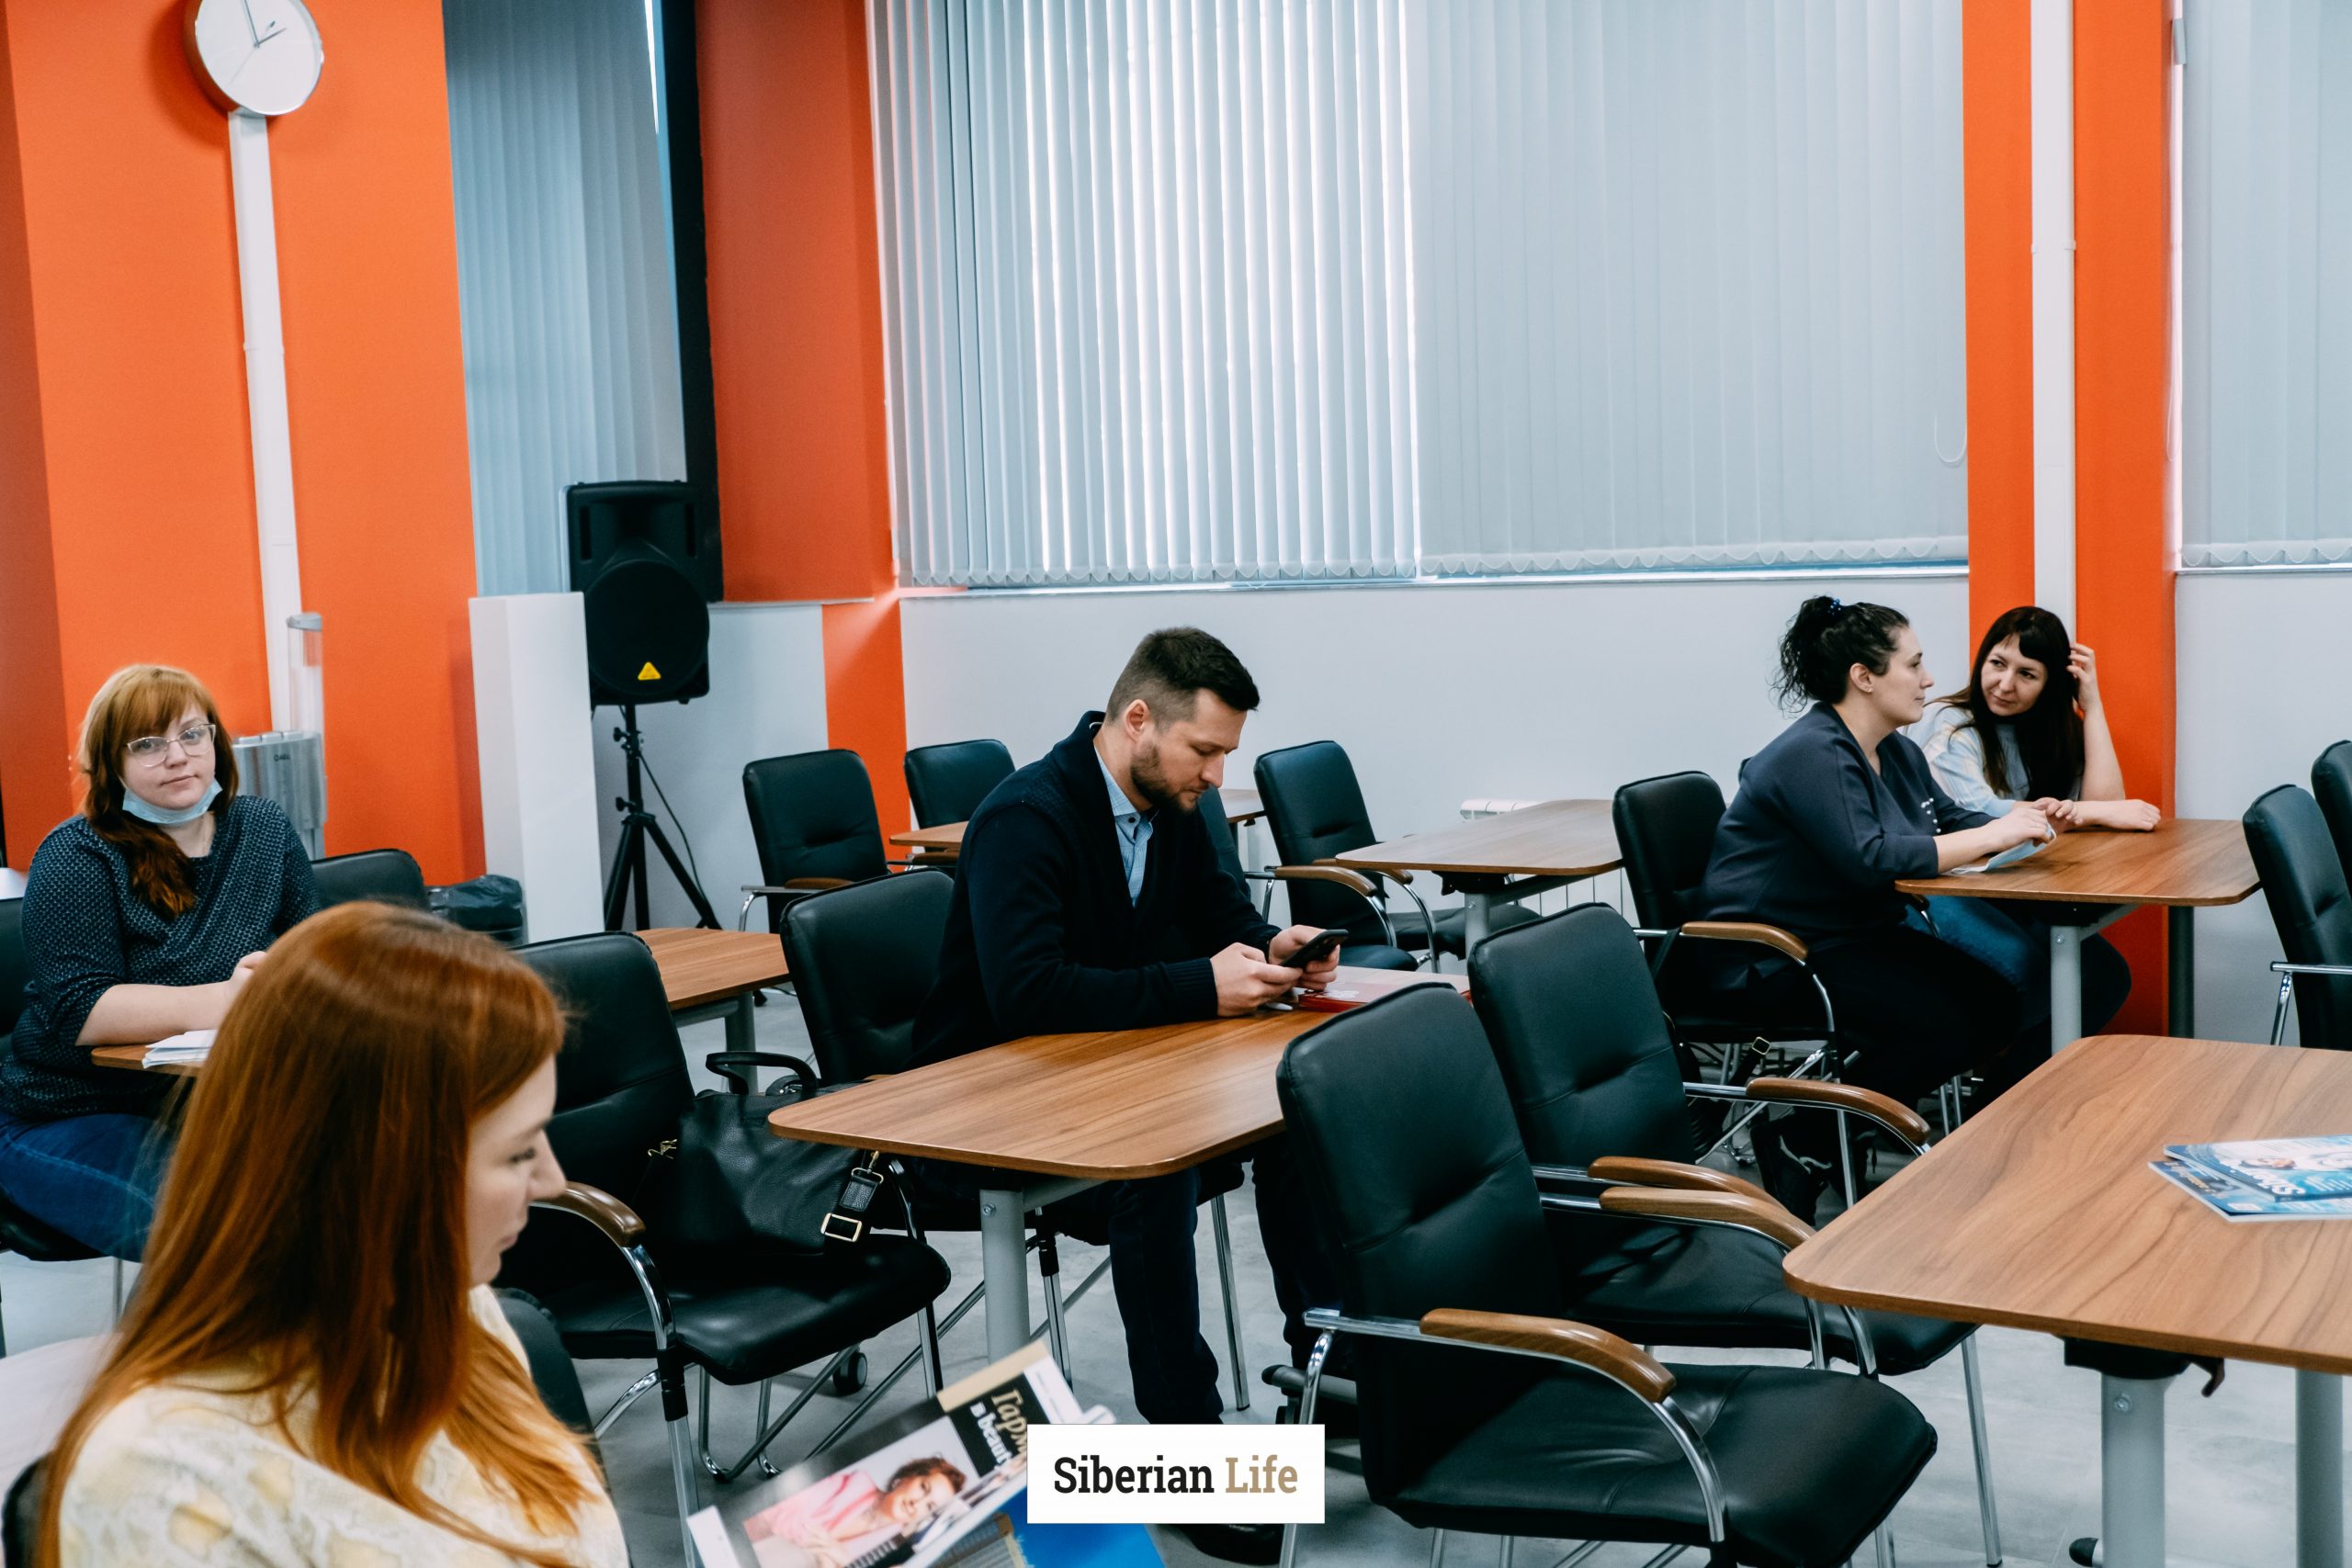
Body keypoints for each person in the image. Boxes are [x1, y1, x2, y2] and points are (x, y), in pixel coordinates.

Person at [909, 626, 1338, 1565]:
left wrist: (1272, 945)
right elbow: (1028, 994)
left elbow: (1219, 914)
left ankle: (1331, 1372)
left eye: (1226, 754)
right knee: (1156, 1170)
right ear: (1138, 719)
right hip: (987, 1105)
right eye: (1205, 750)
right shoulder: (1025, 817)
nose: (1217, 776)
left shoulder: (1172, 804)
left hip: (1106, 1070)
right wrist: (1198, 985)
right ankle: (1188, 1456)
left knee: (1300, 1119)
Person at [38, 901, 620, 1567]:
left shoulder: (446, 1302)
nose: (550, 1180)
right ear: (384, 1174)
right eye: (518, 1152)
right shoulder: (164, 1485)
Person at [1672, 597, 2040, 1219]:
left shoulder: (1894, 750)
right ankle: (1809, 1139)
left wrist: (2030, 822)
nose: (1928, 679)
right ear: (1864, 677)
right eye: (1914, 665)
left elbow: (1948, 821)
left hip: (1846, 937)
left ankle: (1816, 1138)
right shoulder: (1813, 754)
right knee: (1946, 1022)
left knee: (1997, 1004)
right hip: (1769, 956)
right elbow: (1871, 857)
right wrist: (1996, 835)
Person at [1, 665, 319, 1258]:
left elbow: (316, 957)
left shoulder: (263, 829)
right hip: (73, 1110)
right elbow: (82, 1010)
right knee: (221, 1230)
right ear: (110, 762)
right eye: (147, 744)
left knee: (371, 1182)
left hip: (218, 1099)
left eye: (192, 734)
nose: (177, 756)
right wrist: (230, 999)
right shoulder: (77, 853)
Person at [1913, 604, 2152, 1042]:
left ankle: (2024, 1081)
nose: (2005, 684)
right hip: (1948, 888)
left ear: (2051, 684)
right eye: (1997, 664)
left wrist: (2093, 705)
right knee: (2033, 977)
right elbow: (1980, 817)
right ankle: (2001, 1084)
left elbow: (2108, 804)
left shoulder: (2050, 732)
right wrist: (2088, 814)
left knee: (2105, 977)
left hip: (2014, 886)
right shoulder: (1950, 723)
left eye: (2027, 674)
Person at [746, 1455, 968, 1568]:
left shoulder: (896, 1548)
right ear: (905, 1477)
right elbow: (780, 1511)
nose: (917, 1504)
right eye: (923, 1488)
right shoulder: (855, 1483)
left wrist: (844, 1560)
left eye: (930, 1506)